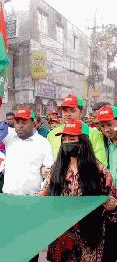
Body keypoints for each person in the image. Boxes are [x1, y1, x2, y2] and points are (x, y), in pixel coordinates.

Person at [38, 119, 117, 262]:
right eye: (65, 139)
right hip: (61, 235)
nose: (67, 142)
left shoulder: (99, 171)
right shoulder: (56, 169)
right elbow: (45, 190)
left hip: (89, 237)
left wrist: (113, 206)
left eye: (72, 138)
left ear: (83, 141)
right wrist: (41, 196)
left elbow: (112, 200)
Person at [2, 107, 54, 196]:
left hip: (32, 199)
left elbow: (49, 172)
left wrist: (43, 192)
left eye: (24, 122)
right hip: (8, 196)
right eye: (17, 123)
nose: (20, 126)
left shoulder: (43, 143)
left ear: (33, 124)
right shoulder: (9, 138)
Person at [47, 94, 107, 166]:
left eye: (72, 111)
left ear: (82, 112)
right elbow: (46, 159)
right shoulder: (53, 134)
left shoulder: (95, 134)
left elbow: (101, 164)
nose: (67, 114)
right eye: (65, 111)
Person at [95, 105, 117, 262]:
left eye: (110, 124)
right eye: (103, 126)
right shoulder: (104, 145)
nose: (107, 129)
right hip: (110, 206)